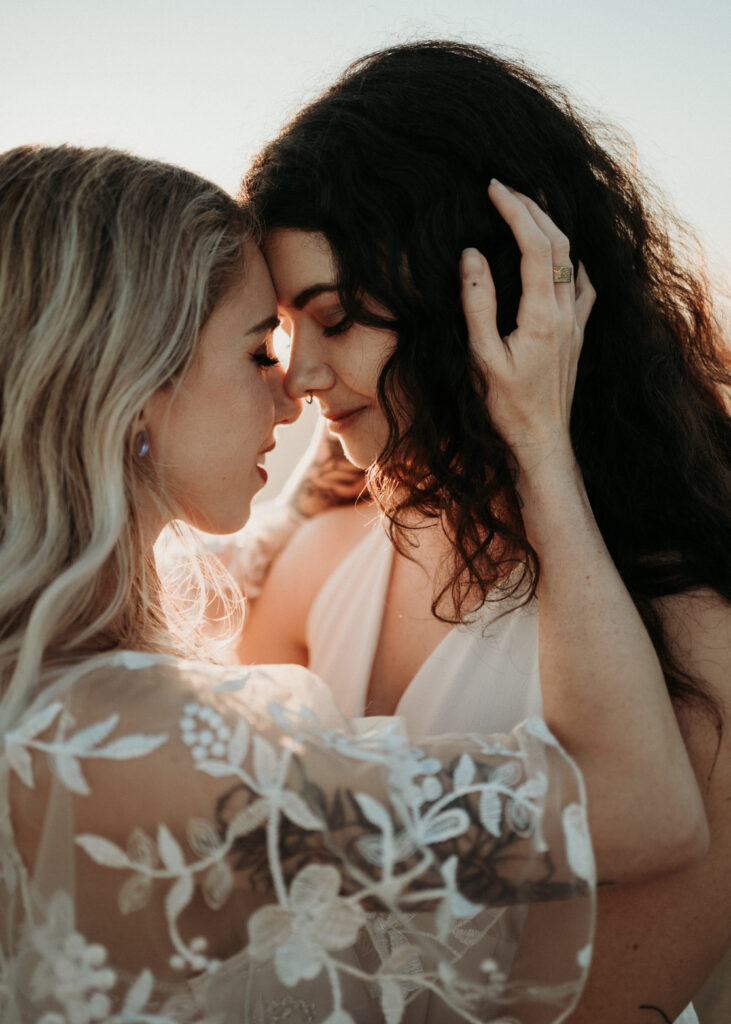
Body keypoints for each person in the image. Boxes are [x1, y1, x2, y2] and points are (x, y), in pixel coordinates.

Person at [0, 143, 708, 1024]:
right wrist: (534, 438)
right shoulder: (149, 752)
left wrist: (371, 434)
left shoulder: (39, 687)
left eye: (327, 326)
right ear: (136, 386)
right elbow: (641, 810)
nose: (294, 392)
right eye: (262, 349)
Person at [239, 40, 731, 1024]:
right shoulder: (320, 558)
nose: (295, 378)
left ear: (483, 297)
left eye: (333, 319)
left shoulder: (692, 641)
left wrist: (536, 446)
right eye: (284, 326)